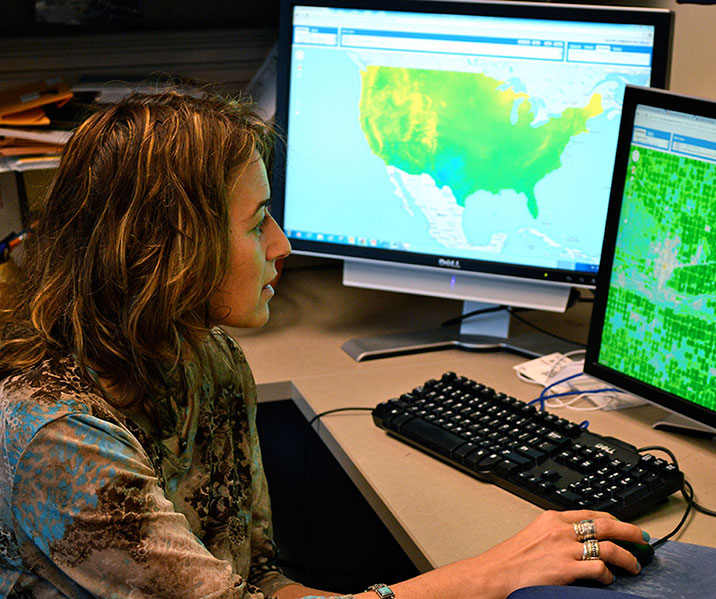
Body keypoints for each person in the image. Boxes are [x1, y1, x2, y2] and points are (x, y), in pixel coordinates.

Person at [0, 90, 649, 599]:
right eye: (258, 223)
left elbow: (256, 578)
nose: (281, 246)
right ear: (168, 251)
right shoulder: (58, 434)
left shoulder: (207, 356)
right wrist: (490, 571)